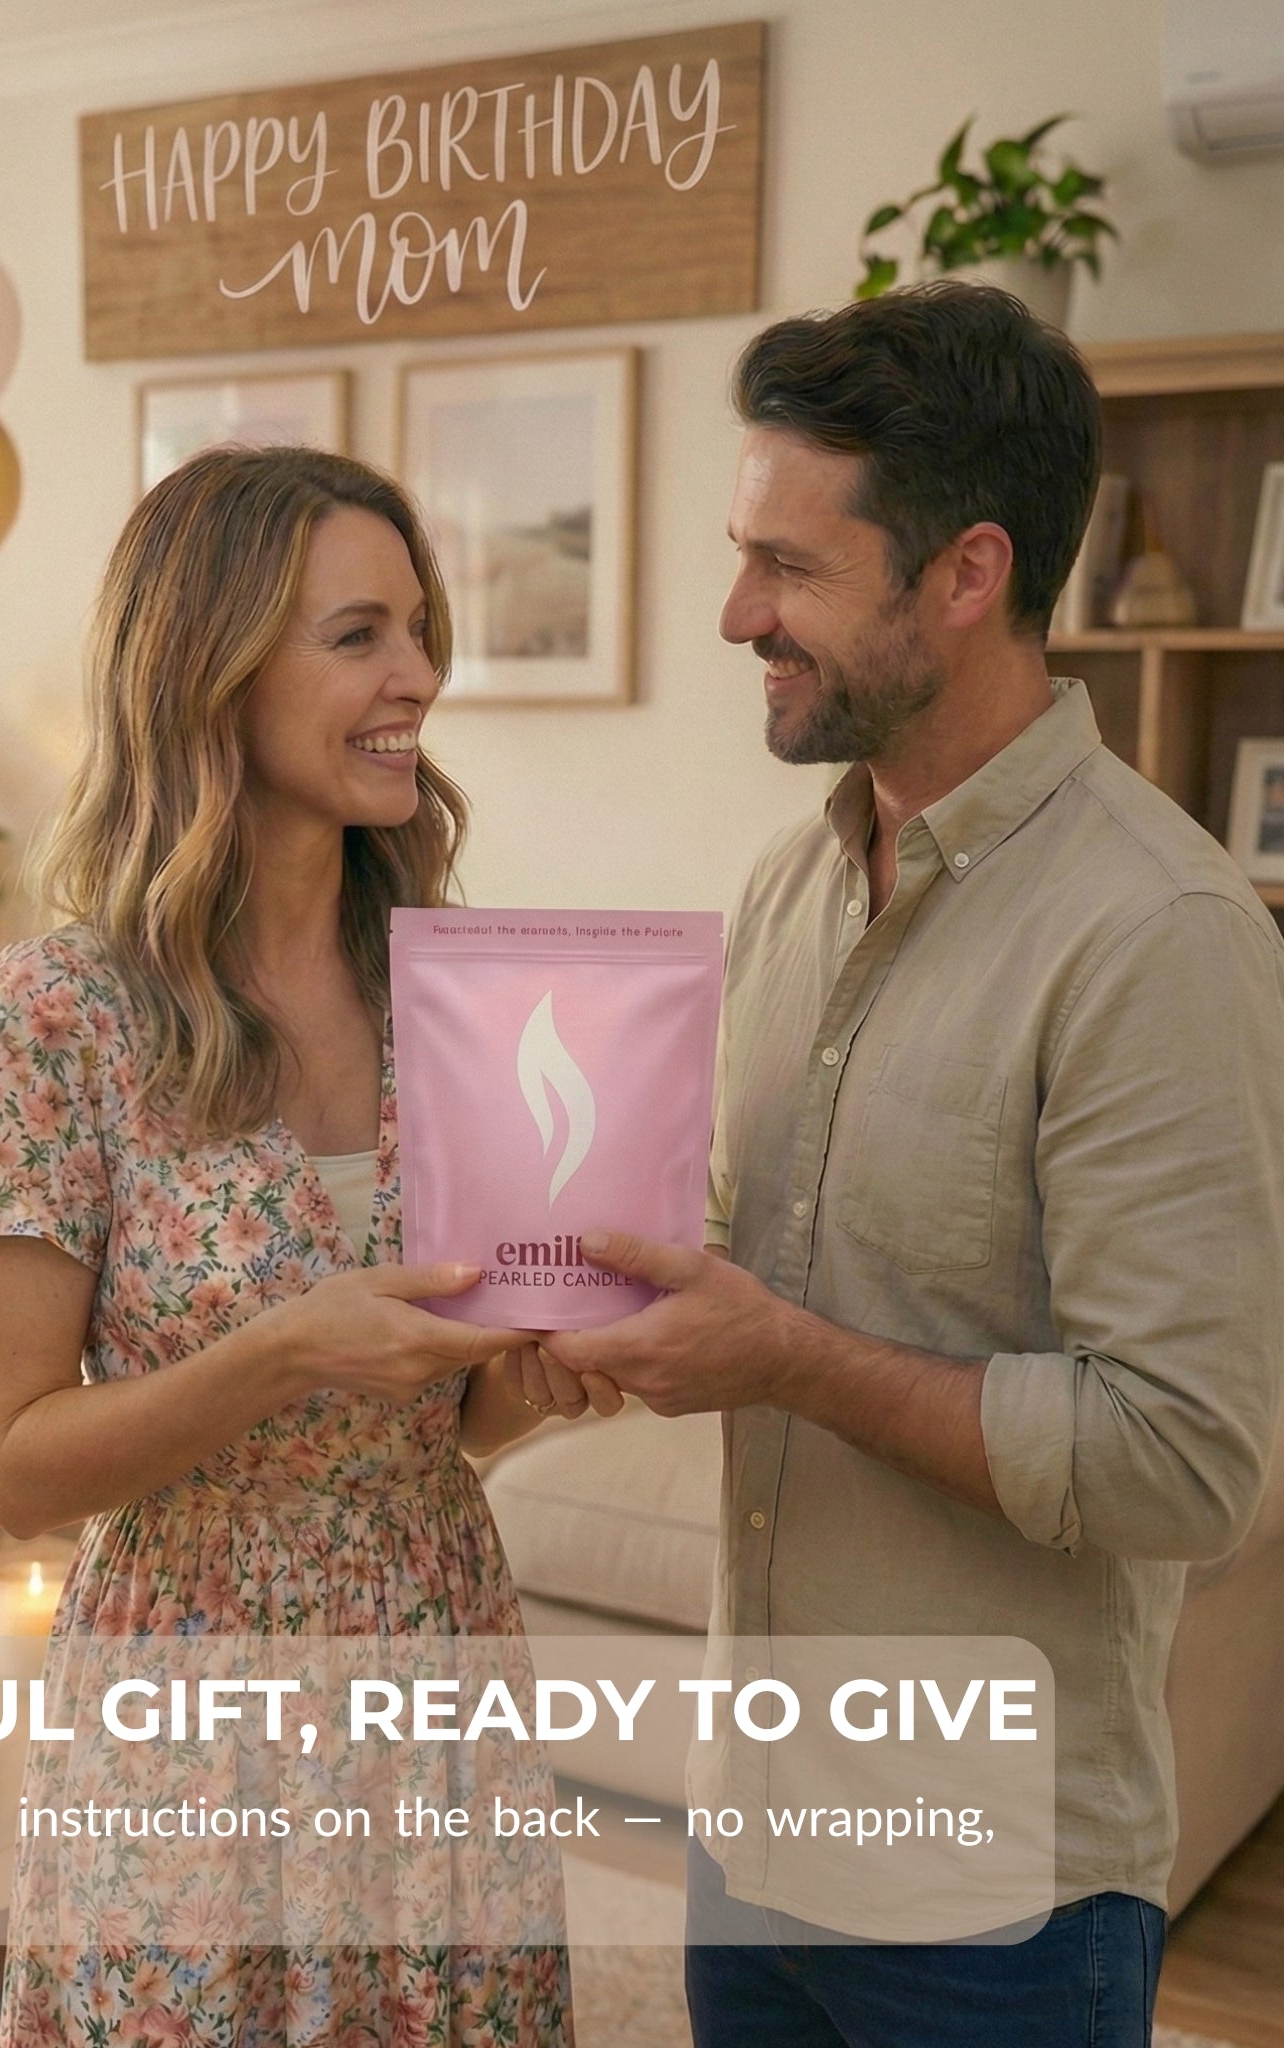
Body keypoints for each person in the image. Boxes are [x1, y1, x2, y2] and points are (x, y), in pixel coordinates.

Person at [539, 282, 1284, 2044]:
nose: (738, 616)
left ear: (965, 572)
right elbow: (756, 1254)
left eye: (789, 569)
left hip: (995, 1893)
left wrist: (780, 1355)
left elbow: (1192, 1466)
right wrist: (581, 1298)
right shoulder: (792, 887)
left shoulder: (1156, 930)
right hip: (758, 1830)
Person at [0, 446, 585, 2045]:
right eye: (360, 635)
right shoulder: (62, 1014)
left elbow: (449, 1427)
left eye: (420, 633)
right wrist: (289, 1347)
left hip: (434, 1656)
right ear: (212, 671)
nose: (418, 677)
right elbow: (15, 1463)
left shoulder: (464, 995)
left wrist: (553, 1365)